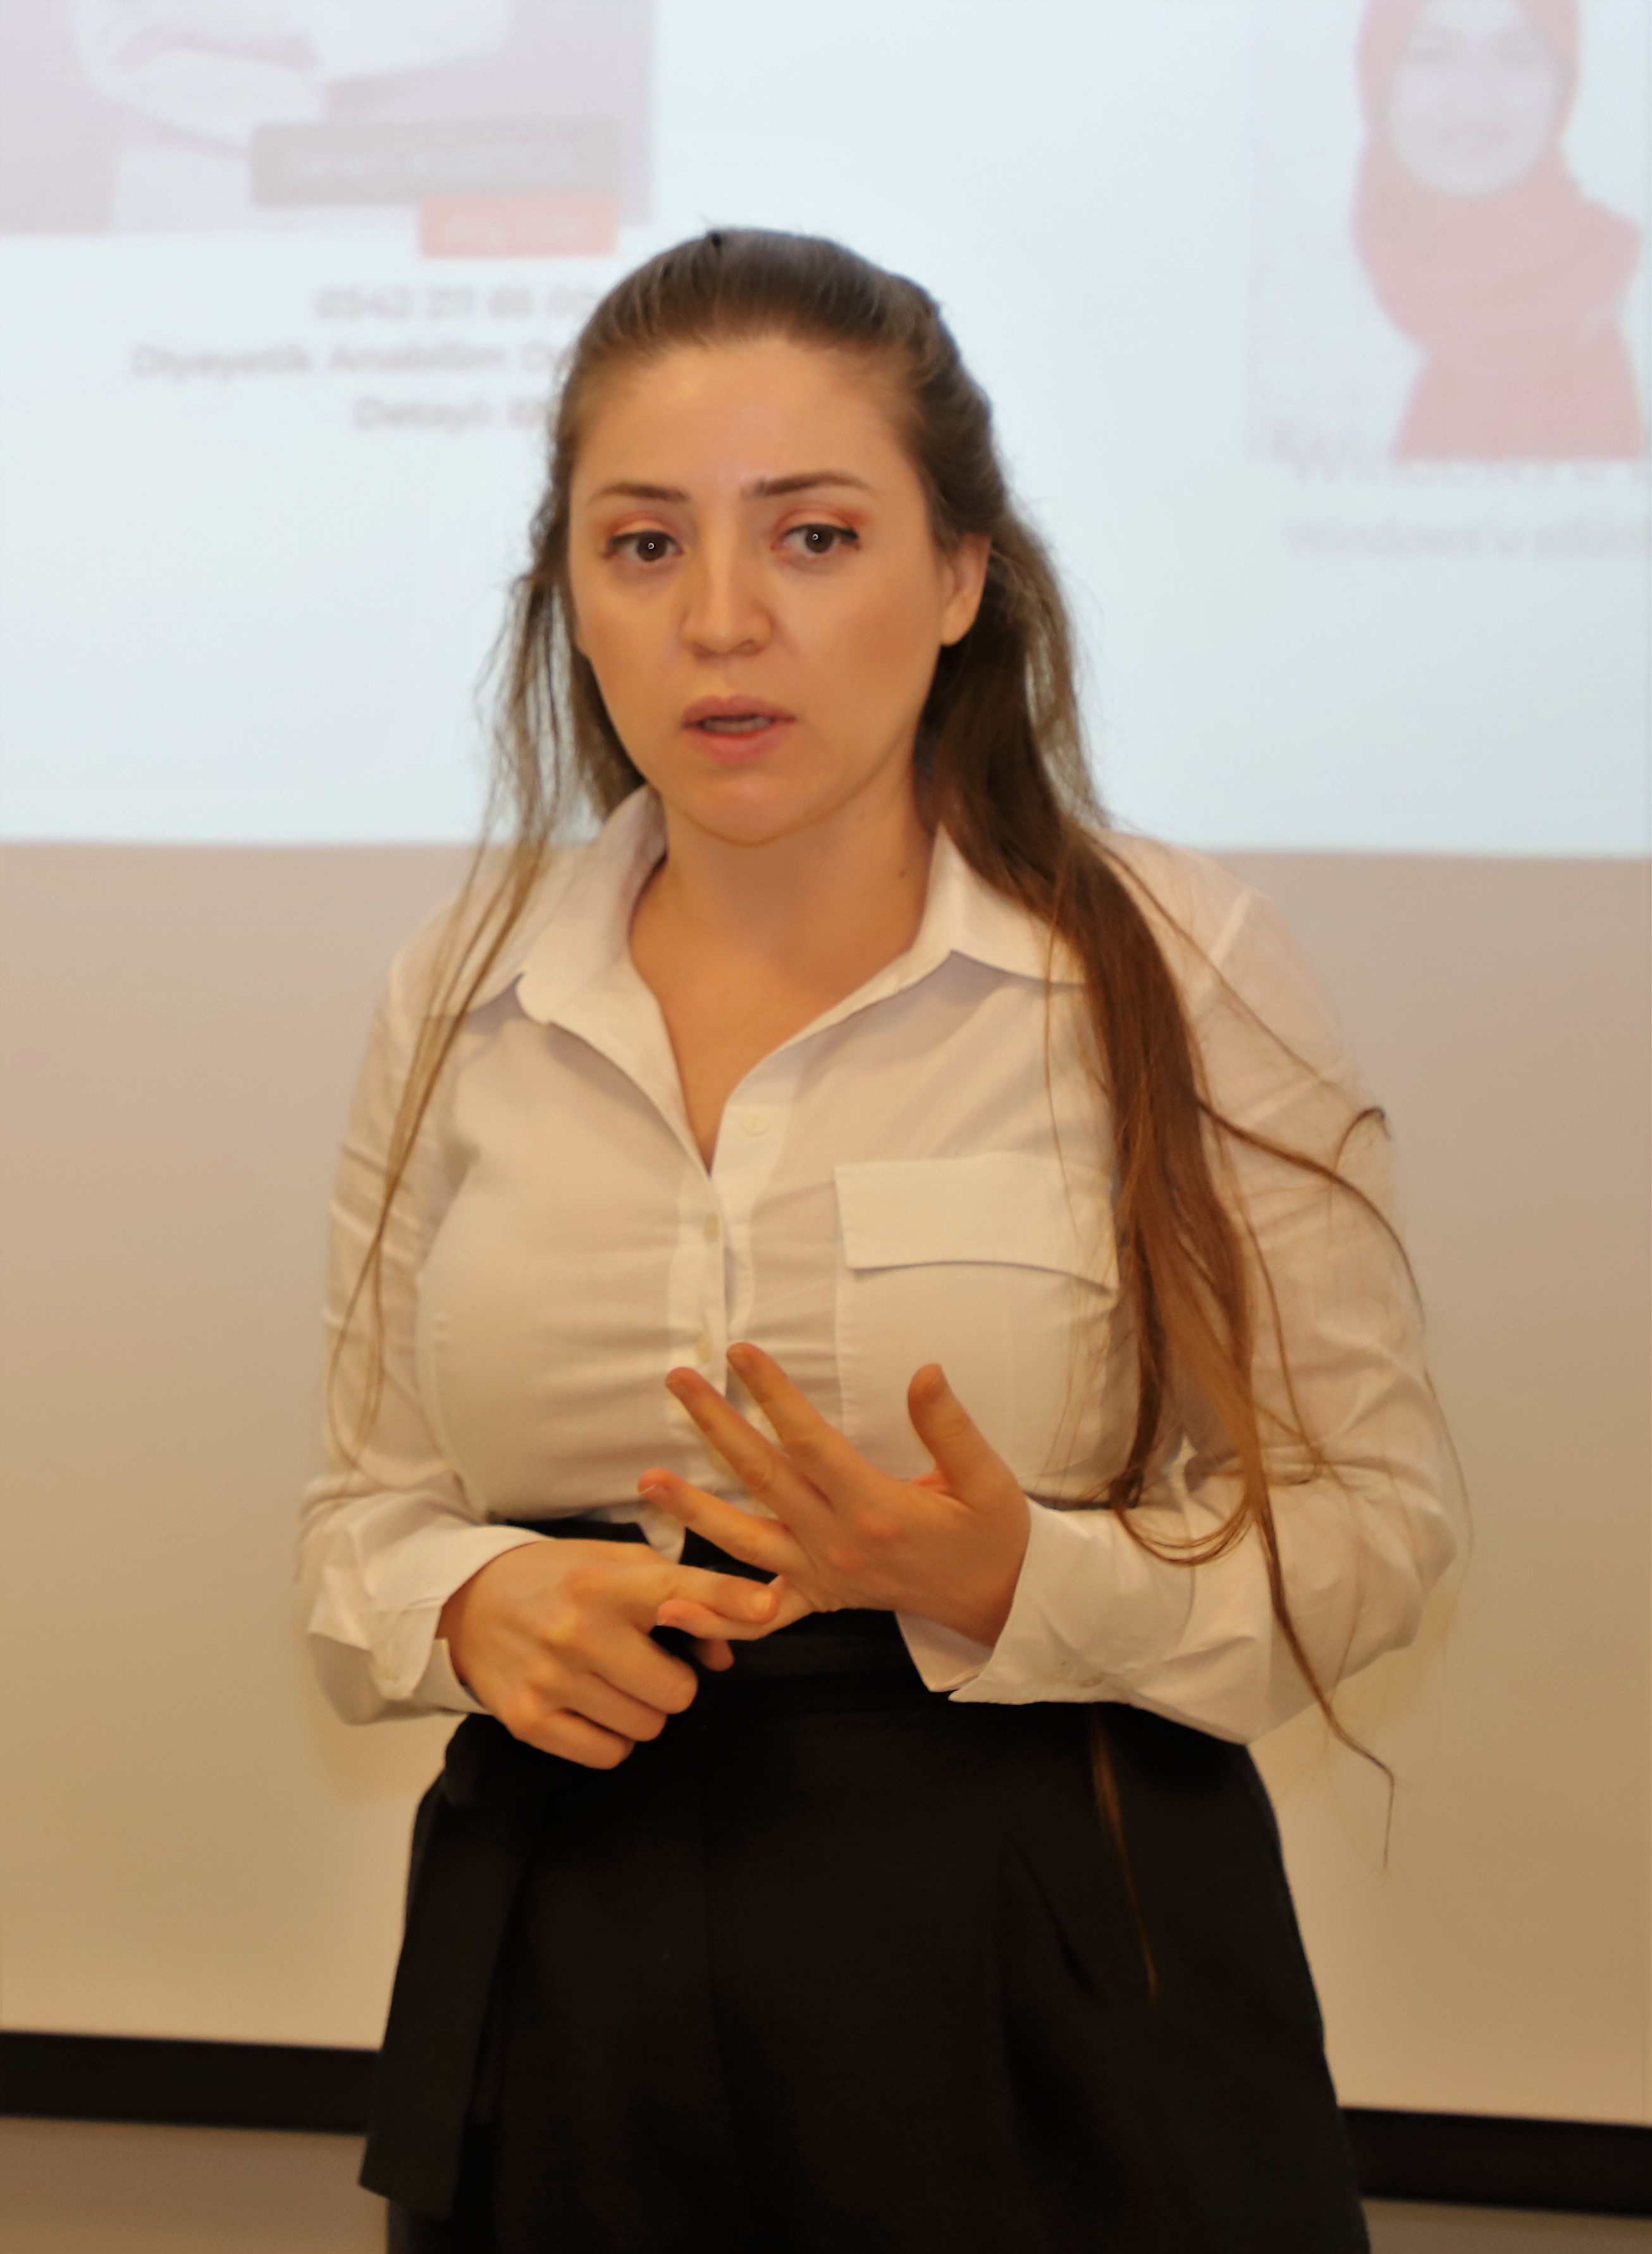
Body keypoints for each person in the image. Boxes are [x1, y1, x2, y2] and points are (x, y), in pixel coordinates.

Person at [298, 227, 1458, 2253]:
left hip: (1047, 1965)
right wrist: (471, 1601)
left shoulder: (1171, 965)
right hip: (568, 1986)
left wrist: (1020, 1578)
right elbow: (358, 1522)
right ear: (569, 596)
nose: (720, 620)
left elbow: (1377, 1524)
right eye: (641, 545)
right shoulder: (458, 992)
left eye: (814, 537)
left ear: (957, 578)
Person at [1353, 0, 1645, 460]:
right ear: (1380, 73)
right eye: (1433, 54)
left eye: (1518, 57)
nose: (1475, 101)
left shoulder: (1626, 286)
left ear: (1562, 84)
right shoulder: (1292, 314)